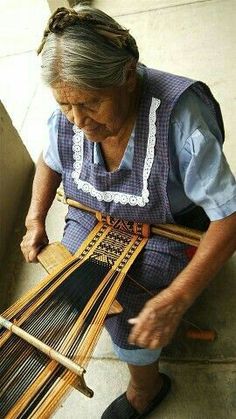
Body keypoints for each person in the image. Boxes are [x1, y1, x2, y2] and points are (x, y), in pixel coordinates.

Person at [20, 5, 236, 418]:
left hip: (170, 228)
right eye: (66, 105)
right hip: (95, 213)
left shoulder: (181, 118)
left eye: (90, 104)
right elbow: (51, 158)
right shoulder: (72, 107)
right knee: (79, 284)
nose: (79, 121)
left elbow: (230, 215)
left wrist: (177, 297)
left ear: (127, 74)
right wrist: (34, 220)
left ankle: (146, 390)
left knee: (128, 314)